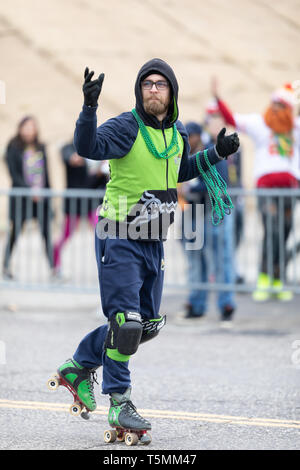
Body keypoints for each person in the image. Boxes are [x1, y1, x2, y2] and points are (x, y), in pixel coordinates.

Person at [54, 59, 239, 434]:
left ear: (172, 92)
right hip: (118, 234)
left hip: (154, 240)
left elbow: (180, 170)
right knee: (126, 324)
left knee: (146, 326)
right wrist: (88, 109)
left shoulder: (177, 134)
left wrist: (217, 153)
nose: (153, 89)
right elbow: (87, 146)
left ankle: (78, 366)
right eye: (147, 84)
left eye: (161, 84)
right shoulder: (126, 126)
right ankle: (119, 403)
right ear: (140, 91)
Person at [212, 81, 300, 301]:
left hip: (290, 190)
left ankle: (277, 280)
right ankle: (264, 278)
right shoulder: (260, 123)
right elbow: (233, 119)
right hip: (267, 189)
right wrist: (218, 98)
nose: (277, 109)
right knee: (272, 231)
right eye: (275, 104)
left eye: (282, 105)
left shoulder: (295, 128)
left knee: (285, 233)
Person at [180, 105, 239, 326]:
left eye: (190, 137)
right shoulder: (182, 156)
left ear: (196, 136)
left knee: (221, 260)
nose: (188, 141)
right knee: (195, 260)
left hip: (216, 213)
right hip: (194, 212)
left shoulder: (211, 152)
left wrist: (189, 190)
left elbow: (219, 183)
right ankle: (196, 304)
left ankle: (226, 305)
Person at [2, 116, 54, 279]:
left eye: (32, 126)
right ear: (20, 128)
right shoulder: (13, 147)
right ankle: (5, 266)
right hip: (22, 199)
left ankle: (53, 268)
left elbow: (46, 174)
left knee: (46, 233)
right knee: (15, 232)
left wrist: (47, 195)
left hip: (41, 199)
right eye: (26, 126)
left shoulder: (40, 147)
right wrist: (30, 191)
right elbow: (14, 175)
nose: (29, 130)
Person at [53, 141, 109, 275]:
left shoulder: (97, 148)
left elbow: (96, 180)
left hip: (91, 202)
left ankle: (109, 266)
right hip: (73, 203)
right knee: (65, 235)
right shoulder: (69, 147)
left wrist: (100, 171)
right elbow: (69, 158)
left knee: (101, 233)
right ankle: (55, 265)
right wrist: (82, 158)